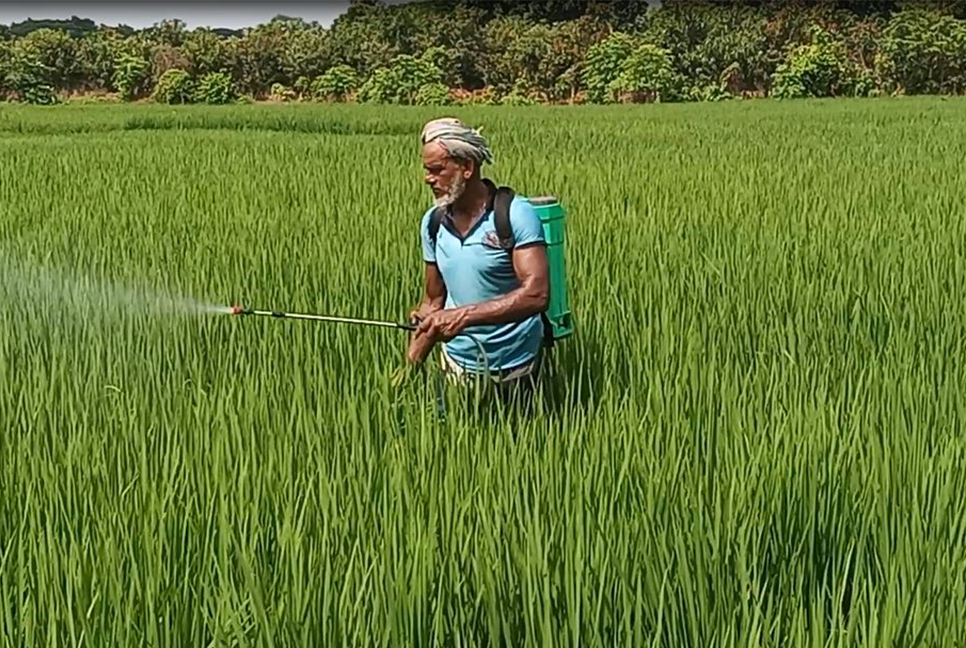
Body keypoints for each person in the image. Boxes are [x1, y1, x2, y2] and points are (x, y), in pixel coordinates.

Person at [406, 117, 549, 403]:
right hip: (457, 366)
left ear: (467, 167)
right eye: (426, 170)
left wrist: (463, 315)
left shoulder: (514, 216)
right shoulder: (433, 222)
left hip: (516, 366)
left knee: (519, 441)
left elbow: (537, 295)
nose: (428, 178)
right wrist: (410, 365)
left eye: (436, 170)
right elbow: (433, 300)